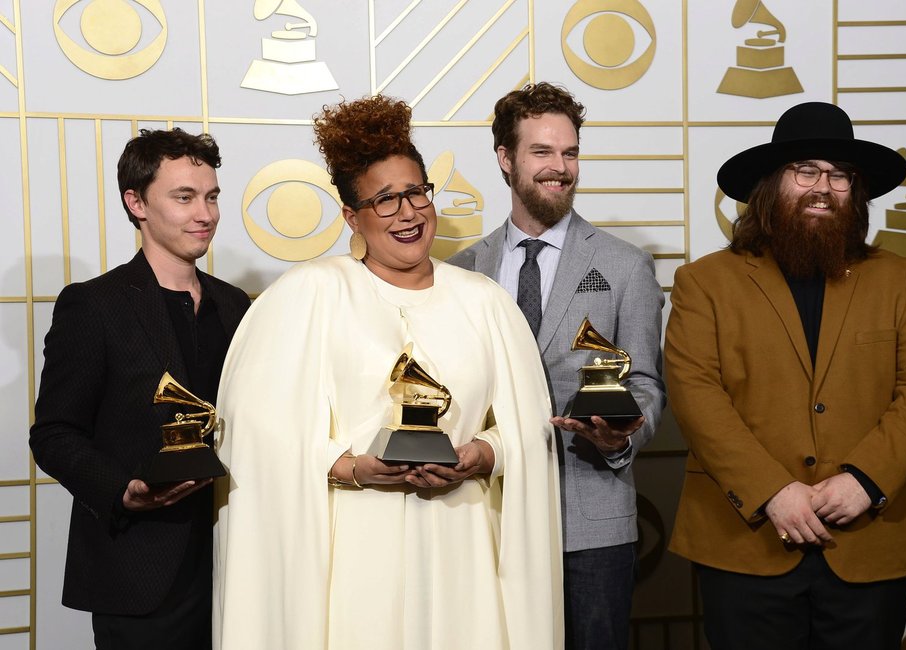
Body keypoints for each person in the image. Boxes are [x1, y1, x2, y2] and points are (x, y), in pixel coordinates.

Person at [212, 95, 562, 650]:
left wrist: (484, 454)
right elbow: (253, 435)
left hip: (461, 546)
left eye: (416, 192)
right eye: (384, 200)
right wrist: (351, 467)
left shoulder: (484, 303)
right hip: (354, 557)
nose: (408, 212)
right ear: (352, 216)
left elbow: (527, 426)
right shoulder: (309, 297)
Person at [665, 101, 906, 649]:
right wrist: (771, 490)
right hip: (745, 541)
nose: (824, 186)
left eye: (841, 175)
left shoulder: (902, 278)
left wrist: (865, 480)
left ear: (855, 192)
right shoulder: (704, 282)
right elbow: (696, 394)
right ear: (772, 186)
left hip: (871, 542)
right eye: (807, 171)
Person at [448, 82, 666, 650]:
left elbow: (644, 383)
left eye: (569, 153)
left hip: (590, 522)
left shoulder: (625, 266)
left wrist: (620, 435)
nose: (560, 168)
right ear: (506, 159)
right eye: (542, 152)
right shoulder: (462, 271)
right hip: (485, 519)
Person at [29, 128, 251, 649]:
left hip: (233, 561)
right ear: (136, 202)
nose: (206, 214)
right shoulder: (94, 305)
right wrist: (123, 490)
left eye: (212, 196)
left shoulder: (237, 305)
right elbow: (55, 434)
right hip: (139, 570)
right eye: (184, 197)